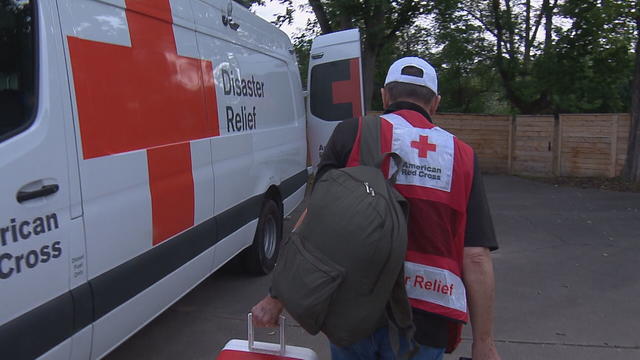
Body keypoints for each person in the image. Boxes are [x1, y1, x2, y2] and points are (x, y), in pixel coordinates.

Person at [252, 57, 501, 360]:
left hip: (352, 309)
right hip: (426, 321)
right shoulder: (462, 156)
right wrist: (484, 343)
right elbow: (475, 257)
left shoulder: (352, 133)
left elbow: (316, 219)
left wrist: (277, 295)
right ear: (435, 103)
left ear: (385, 96)